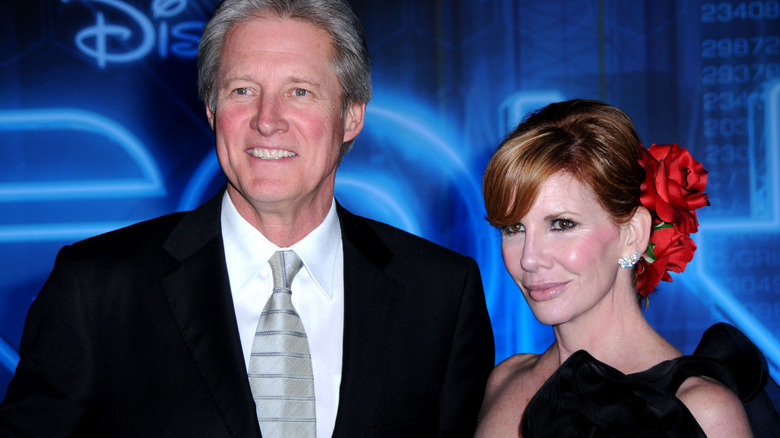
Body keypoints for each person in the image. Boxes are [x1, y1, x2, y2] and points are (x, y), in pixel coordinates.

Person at [0, 0, 494, 436]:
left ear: (352, 116)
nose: (267, 119)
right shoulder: (96, 289)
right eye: (241, 90)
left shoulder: (441, 295)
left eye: (300, 91)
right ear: (213, 112)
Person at [475, 99, 778, 437]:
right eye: (514, 229)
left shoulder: (701, 409)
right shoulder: (505, 380)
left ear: (632, 236)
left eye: (562, 224)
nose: (529, 258)